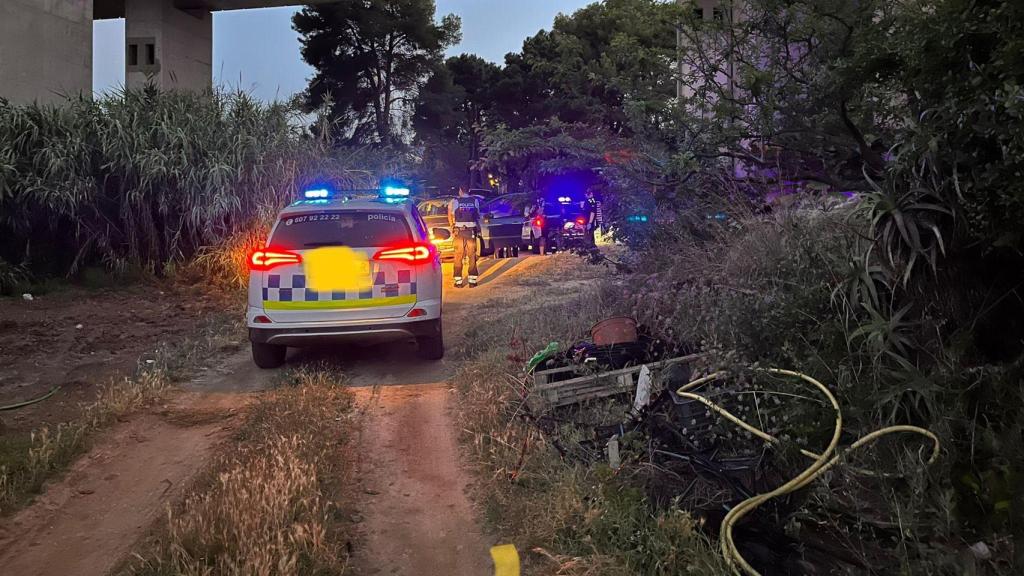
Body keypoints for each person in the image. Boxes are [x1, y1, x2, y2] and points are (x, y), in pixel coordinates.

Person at [448, 186, 481, 287]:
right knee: (472, 256)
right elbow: (477, 215)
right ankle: (472, 281)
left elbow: (451, 215)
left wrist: (452, 226)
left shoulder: (455, 201)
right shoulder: (475, 201)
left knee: (458, 256)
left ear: (461, 191)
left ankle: (458, 281)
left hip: (459, 232)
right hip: (471, 232)